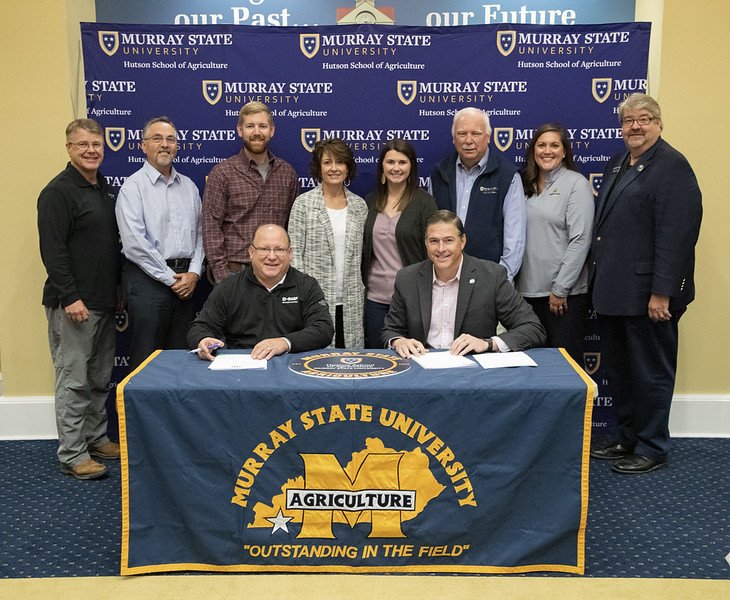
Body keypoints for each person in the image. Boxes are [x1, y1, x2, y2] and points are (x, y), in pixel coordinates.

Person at [589, 94, 702, 474]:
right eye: (628, 120)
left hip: (649, 296)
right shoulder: (618, 163)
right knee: (621, 371)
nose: (635, 126)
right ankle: (628, 438)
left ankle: (652, 447)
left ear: (659, 123)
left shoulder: (672, 166)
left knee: (651, 372)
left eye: (645, 119)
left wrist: (662, 292)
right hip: (614, 292)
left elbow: (677, 235)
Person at [37, 118, 121, 480]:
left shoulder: (102, 186)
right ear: (69, 148)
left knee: (100, 377)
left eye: (97, 144)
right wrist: (71, 296)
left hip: (103, 301)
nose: (91, 150)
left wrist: (116, 292)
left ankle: (95, 437)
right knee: (73, 380)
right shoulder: (58, 192)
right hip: (72, 304)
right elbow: (52, 251)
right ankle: (72, 454)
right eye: (83, 144)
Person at [382, 210, 545, 358]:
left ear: (462, 241)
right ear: (425, 243)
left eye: (448, 240)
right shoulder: (407, 278)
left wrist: (487, 343)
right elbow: (391, 330)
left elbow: (532, 328)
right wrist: (398, 342)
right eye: (433, 241)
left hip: (473, 371)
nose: (440, 248)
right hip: (421, 367)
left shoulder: (491, 276)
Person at [116, 116, 204, 369]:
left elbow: (200, 235)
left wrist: (195, 273)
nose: (164, 144)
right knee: (147, 361)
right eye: (157, 138)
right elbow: (135, 244)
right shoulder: (132, 188)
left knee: (182, 361)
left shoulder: (188, 187)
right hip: (148, 281)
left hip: (186, 283)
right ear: (143, 146)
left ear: (177, 146)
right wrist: (170, 278)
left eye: (170, 139)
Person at [188, 224, 334, 360]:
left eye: (279, 249)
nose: (271, 256)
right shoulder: (228, 287)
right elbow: (201, 326)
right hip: (242, 366)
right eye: (264, 249)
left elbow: (324, 329)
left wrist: (285, 342)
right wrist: (203, 339)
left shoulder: (307, 286)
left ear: (290, 253)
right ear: (251, 252)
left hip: (292, 363)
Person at [515, 124, 594, 365]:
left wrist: (560, 289)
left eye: (554, 145)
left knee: (565, 369)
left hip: (561, 297)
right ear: (532, 150)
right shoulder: (521, 184)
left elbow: (580, 239)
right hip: (525, 296)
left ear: (564, 151)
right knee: (531, 369)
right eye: (541, 145)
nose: (547, 151)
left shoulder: (576, 184)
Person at [202, 101, 299, 283]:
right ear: (240, 130)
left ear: (271, 130)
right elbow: (211, 228)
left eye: (262, 126)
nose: (256, 132)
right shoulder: (222, 173)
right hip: (235, 274)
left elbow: (293, 228)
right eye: (250, 126)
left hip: (277, 274)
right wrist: (223, 278)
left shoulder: (287, 173)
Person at [430, 107, 526, 281]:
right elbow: (431, 231)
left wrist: (501, 281)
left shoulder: (507, 176)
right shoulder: (439, 173)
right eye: (462, 133)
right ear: (453, 138)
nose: (468, 140)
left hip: (489, 280)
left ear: (488, 137)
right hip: (445, 279)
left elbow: (515, 241)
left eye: (476, 133)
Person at [288, 138, 368, 348]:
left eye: (340, 162)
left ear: (348, 167)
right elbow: (294, 256)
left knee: (352, 366)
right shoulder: (303, 204)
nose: (334, 168)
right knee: (317, 364)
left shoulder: (360, 206)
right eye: (327, 162)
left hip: (351, 301)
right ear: (318, 167)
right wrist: (303, 296)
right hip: (315, 301)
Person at [362, 139, 438, 348]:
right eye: (390, 162)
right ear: (382, 166)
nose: (396, 168)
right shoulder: (369, 202)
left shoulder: (424, 202)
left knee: (413, 358)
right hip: (375, 298)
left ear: (411, 166)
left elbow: (434, 250)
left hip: (412, 299)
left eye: (402, 162)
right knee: (378, 361)